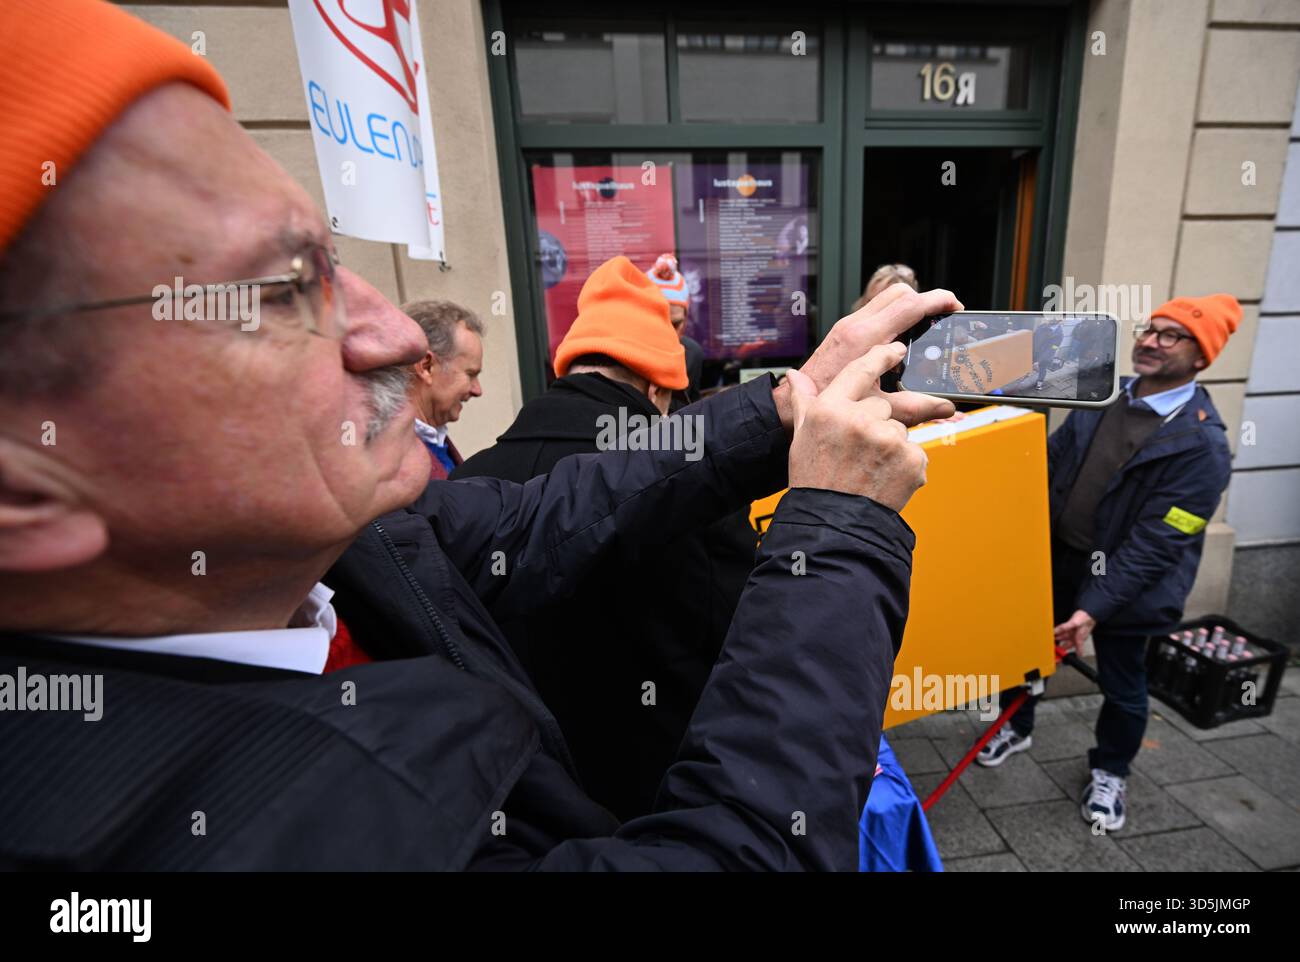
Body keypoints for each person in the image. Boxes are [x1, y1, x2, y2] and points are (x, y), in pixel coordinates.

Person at [0, 0, 962, 870]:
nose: (399, 336)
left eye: (334, 266)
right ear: (27, 490)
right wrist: (836, 529)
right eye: (284, 289)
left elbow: (552, 515)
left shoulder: (333, 551)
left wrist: (784, 404)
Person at [453, 257, 759, 819]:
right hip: (661, 796)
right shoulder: (693, 491)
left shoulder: (468, 482)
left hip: (523, 799)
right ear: (656, 384)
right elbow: (747, 643)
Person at [978, 294, 1240, 834]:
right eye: (1150, 329)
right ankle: (1015, 724)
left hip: (1128, 587)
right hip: (1057, 560)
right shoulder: (1103, 395)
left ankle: (1111, 770)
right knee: (1025, 655)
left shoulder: (1203, 445)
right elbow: (1050, 465)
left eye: (1172, 335)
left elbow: (1158, 542)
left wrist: (1093, 608)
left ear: (1200, 356)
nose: (1149, 341)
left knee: (1123, 684)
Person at [404, 299, 484, 479]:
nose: (478, 390)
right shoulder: (386, 457)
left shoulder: (435, 442)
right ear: (426, 366)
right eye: (470, 374)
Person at [645, 253, 704, 401]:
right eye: (659, 322)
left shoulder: (691, 355)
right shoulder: (624, 356)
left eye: (676, 324)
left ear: (686, 318)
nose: (669, 334)